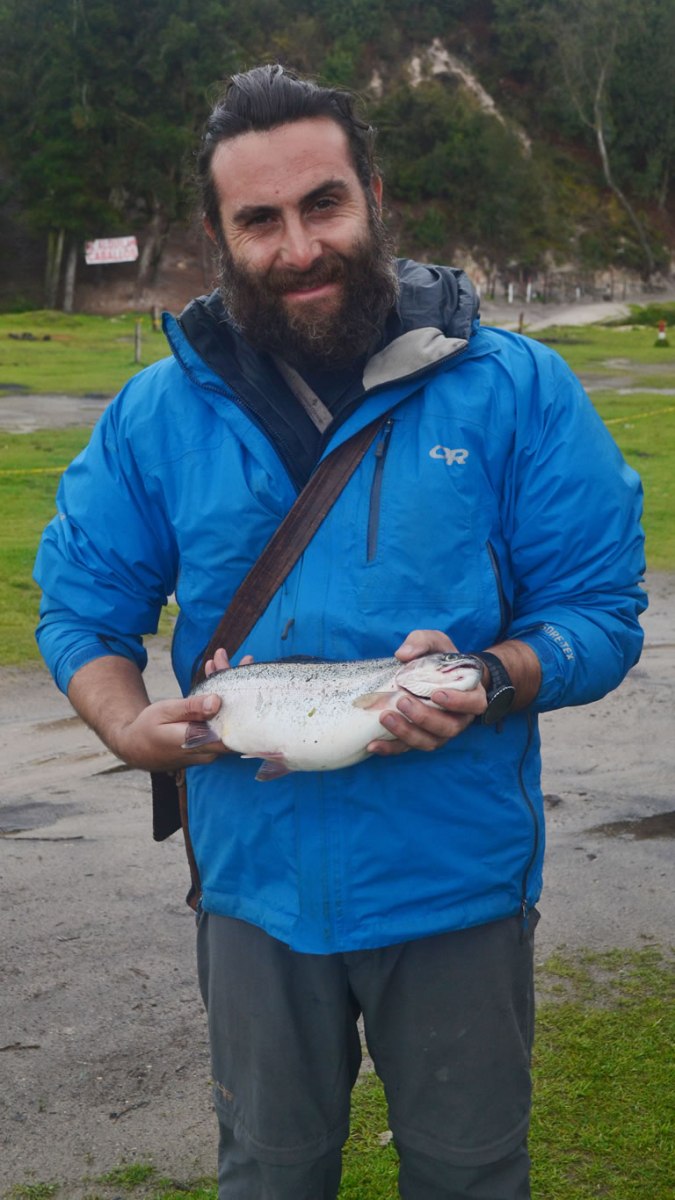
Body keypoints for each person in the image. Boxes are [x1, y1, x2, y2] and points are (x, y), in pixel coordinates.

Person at [34, 64, 646, 1200]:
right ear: (220, 237)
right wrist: (125, 728)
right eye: (259, 220)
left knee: (469, 1175)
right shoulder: (158, 413)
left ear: (374, 194)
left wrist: (495, 675)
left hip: (457, 883)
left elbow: (599, 613)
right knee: (269, 1174)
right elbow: (81, 605)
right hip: (252, 889)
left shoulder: (516, 389)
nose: (299, 245)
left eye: (323, 204)